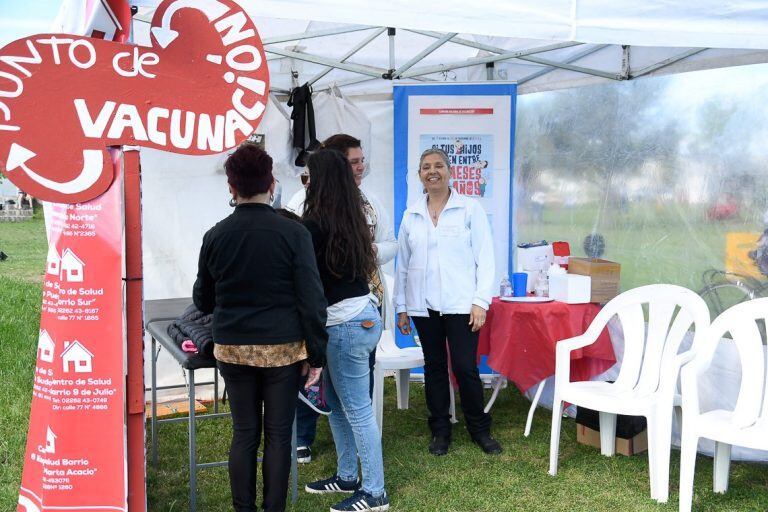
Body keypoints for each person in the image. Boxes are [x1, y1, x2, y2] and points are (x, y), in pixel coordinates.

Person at [192, 144, 328, 512]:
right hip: (283, 350)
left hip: (233, 349)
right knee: (279, 436)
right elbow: (312, 301)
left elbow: (203, 300)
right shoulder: (293, 233)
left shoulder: (215, 235)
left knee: (245, 433)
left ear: (231, 188)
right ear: (271, 184)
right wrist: (317, 356)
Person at [293, 134, 397, 464]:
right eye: (353, 162)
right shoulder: (351, 214)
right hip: (360, 315)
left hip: (345, 322)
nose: (305, 181)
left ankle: (374, 490)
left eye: (310, 175)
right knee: (340, 404)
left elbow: (305, 278)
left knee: (356, 409)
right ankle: (347, 474)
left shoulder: (315, 222)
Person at [394, 147, 502, 456]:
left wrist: (481, 302)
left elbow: (486, 259)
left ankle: (479, 428)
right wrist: (402, 306)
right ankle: (440, 430)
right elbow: (403, 263)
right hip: (424, 305)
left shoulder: (470, 209)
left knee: (466, 367)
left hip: (461, 305)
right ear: (419, 176)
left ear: (449, 171)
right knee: (435, 367)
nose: (432, 171)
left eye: (438, 165)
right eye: (426, 166)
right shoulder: (411, 215)